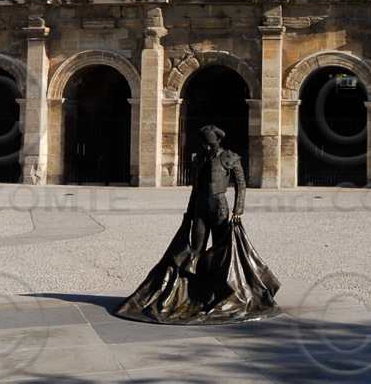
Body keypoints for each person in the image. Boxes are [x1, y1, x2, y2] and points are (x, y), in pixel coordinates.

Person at [114, 125, 281, 324]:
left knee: (220, 251)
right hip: (200, 209)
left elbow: (241, 185)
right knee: (195, 250)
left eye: (210, 144)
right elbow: (195, 189)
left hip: (219, 208)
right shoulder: (200, 158)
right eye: (205, 144)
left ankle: (219, 292)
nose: (208, 147)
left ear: (217, 141)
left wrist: (238, 210)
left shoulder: (229, 158)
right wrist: (189, 212)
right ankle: (195, 293)